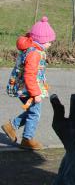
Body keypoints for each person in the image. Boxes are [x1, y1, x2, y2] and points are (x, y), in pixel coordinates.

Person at [2, 15, 55, 150]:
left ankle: (12, 126)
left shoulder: (32, 49)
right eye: (49, 41)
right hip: (28, 88)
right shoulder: (34, 53)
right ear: (41, 40)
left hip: (25, 87)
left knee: (32, 111)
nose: (50, 44)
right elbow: (30, 75)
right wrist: (35, 93)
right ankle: (27, 139)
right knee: (35, 113)